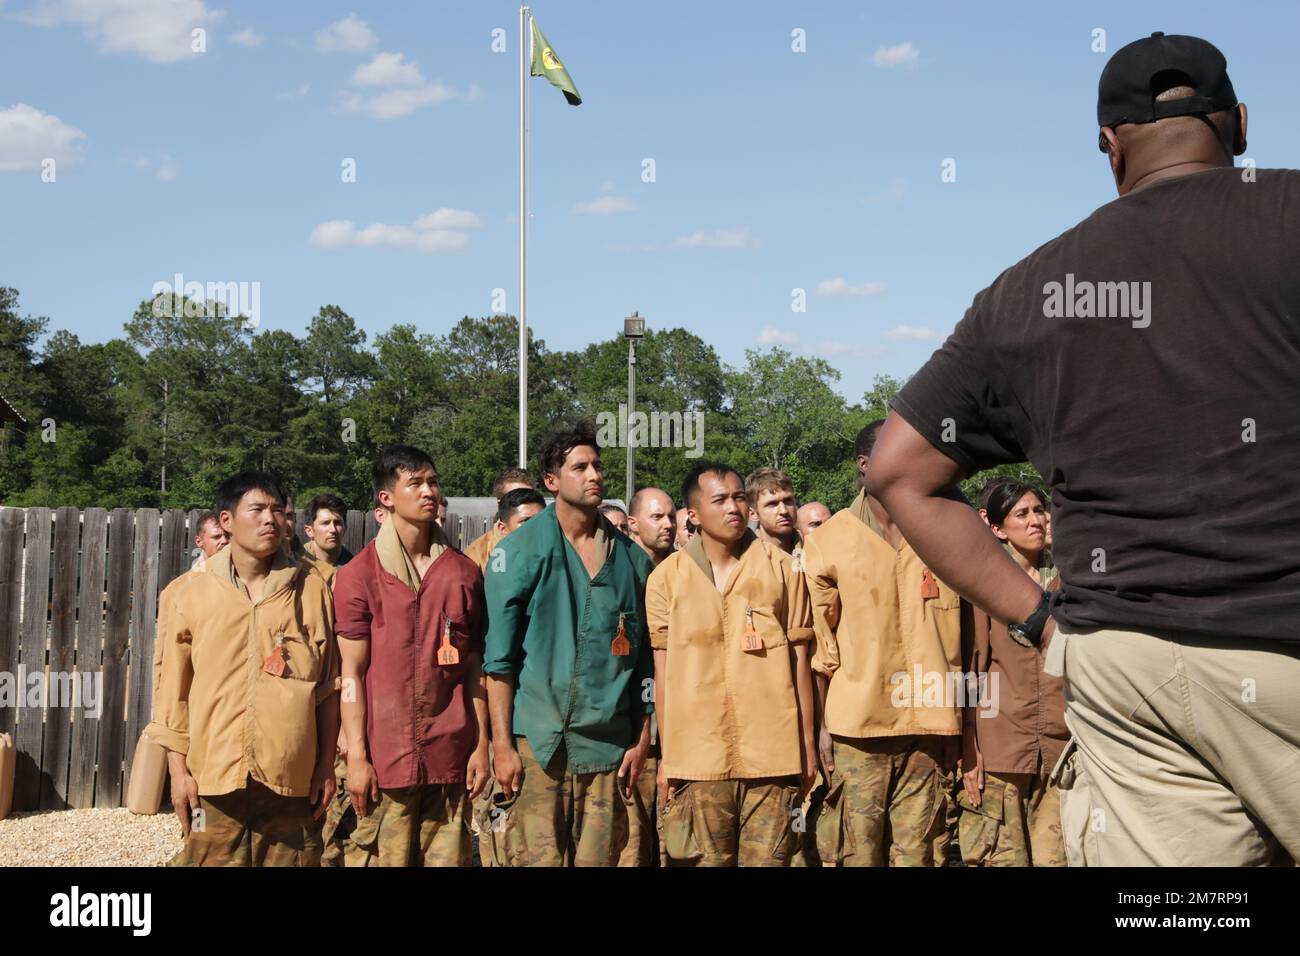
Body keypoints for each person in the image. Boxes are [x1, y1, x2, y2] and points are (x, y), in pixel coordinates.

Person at [866, 32, 1300, 867]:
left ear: (1108, 145)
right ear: (1239, 123)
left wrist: (1039, 618)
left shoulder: (1029, 290)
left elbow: (897, 472)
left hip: (1125, 672)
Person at [145, 472, 340, 866]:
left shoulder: (312, 589)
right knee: (203, 858)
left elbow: (327, 686)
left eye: (277, 511)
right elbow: (172, 694)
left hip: (291, 779)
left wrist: (324, 767)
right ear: (227, 521)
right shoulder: (187, 594)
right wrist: (178, 774)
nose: (270, 520)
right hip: (211, 778)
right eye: (257, 510)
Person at [482, 425, 654, 867]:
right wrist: (502, 745)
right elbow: (498, 663)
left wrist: (643, 733)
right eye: (580, 467)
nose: (594, 475)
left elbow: (645, 660)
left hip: (608, 750)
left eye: (597, 465)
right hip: (537, 746)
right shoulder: (518, 552)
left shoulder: (633, 561)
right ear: (551, 480)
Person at [803, 422, 965, 867]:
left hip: (931, 727)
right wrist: (820, 729)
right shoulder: (830, 540)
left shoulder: (943, 530)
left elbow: (968, 636)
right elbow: (821, 651)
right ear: (865, 465)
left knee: (921, 854)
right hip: (859, 729)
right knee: (858, 853)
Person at [327, 447, 490, 867]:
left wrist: (482, 744)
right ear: (386, 498)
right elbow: (351, 673)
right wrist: (359, 757)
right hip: (386, 759)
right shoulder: (358, 575)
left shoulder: (462, 573)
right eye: (414, 483)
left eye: (433, 482)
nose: (428, 492)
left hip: (450, 754)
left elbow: (474, 667)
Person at [648, 462, 816, 867]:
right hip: (697, 760)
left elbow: (800, 660)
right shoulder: (666, 579)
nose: (734, 508)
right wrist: (669, 758)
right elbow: (663, 674)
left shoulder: (782, 569)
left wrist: (807, 746)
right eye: (719, 500)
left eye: (739, 497)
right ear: (693, 514)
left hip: (772, 759)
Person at [959, 481, 1067, 867]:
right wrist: (969, 746)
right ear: (999, 528)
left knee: (1058, 859)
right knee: (1000, 859)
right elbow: (969, 669)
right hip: (1002, 747)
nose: (1036, 521)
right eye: (1022, 514)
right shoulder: (985, 582)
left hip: (1060, 748)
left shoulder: (1067, 581)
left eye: (1040, 510)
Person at [464, 467, 536, 570]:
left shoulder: (552, 544)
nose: (525, 505)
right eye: (516, 499)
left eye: (530, 497)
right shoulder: (477, 555)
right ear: (500, 503)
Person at [302, 493, 354, 588]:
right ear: (309, 531)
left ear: (345, 528)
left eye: (337, 523)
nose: (333, 530)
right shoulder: (296, 565)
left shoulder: (354, 569)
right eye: (325, 523)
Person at [746, 467, 800, 554]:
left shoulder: (813, 550)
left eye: (788, 501)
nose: (784, 511)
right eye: (772, 504)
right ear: (753, 514)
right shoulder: (746, 560)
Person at [628, 487, 676, 567]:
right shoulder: (617, 568)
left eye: (671, 517)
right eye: (657, 517)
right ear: (633, 524)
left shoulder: (687, 567)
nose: (669, 524)